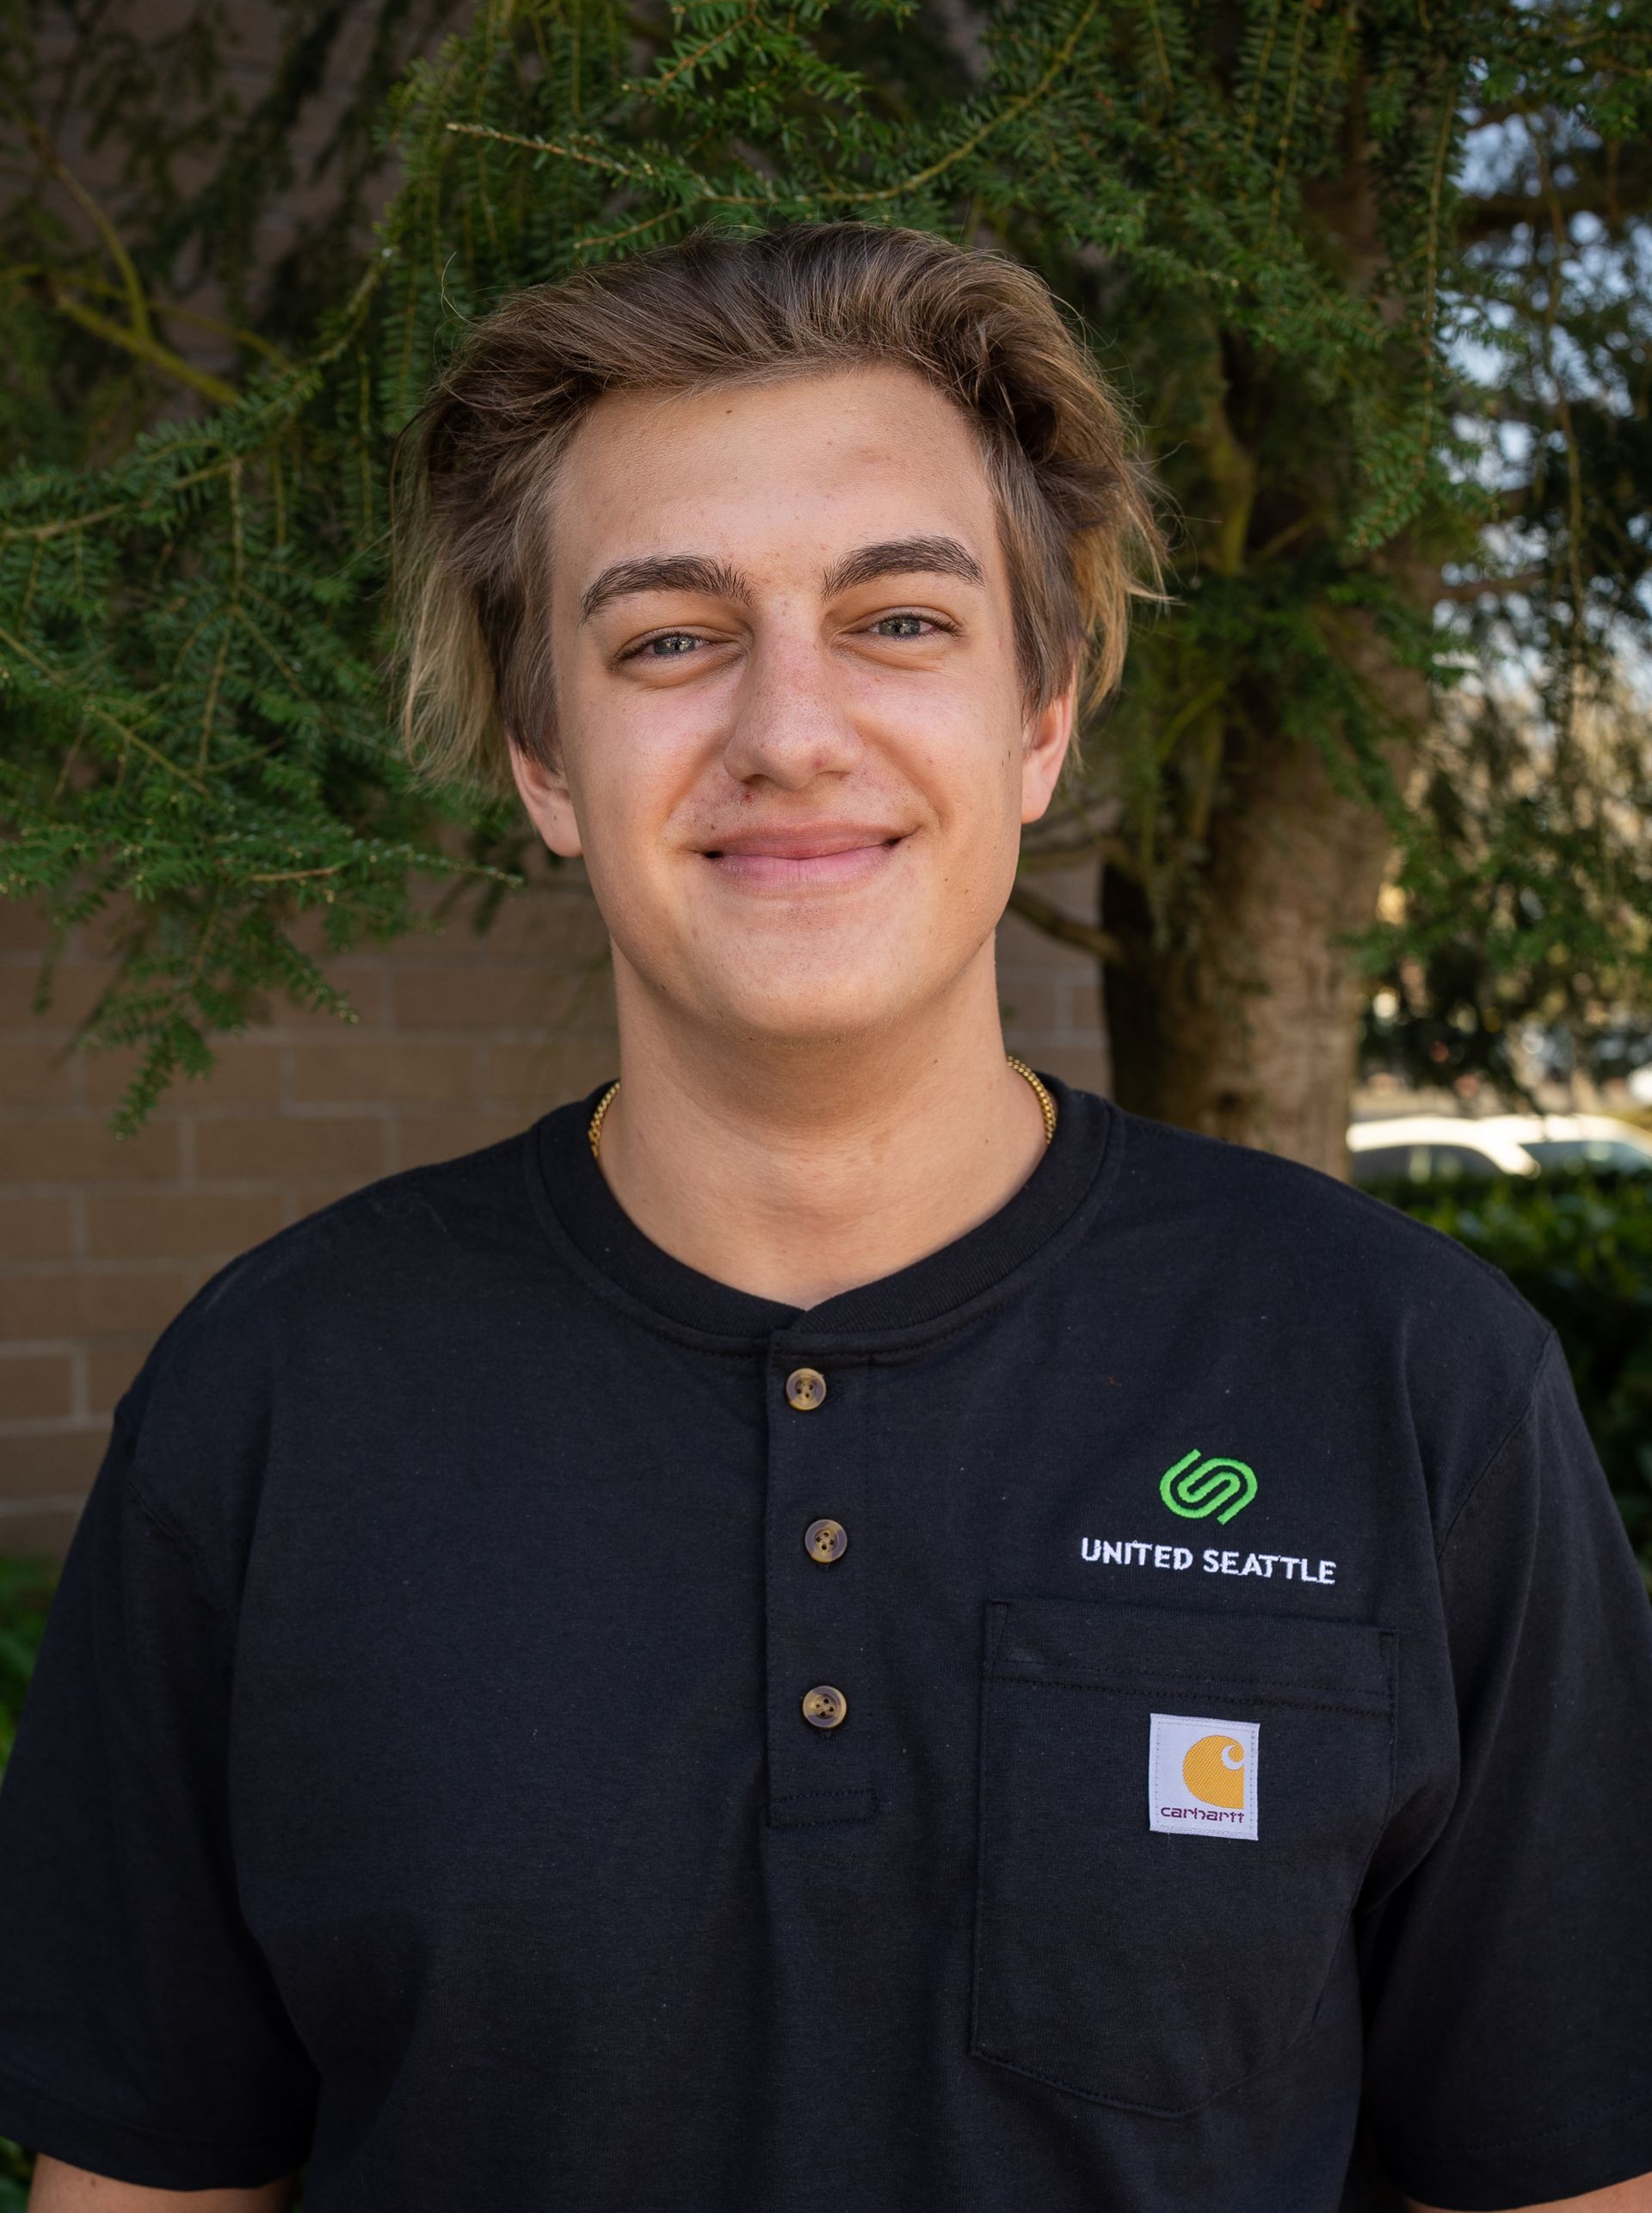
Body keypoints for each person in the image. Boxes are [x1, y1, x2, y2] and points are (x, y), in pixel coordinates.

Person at [1, 223, 1649, 2213]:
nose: (790, 730)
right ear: (544, 760)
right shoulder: (267, 1406)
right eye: (670, 637)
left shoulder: (1412, 1384)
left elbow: (1560, 2176)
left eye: (898, 621)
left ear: (1039, 719)